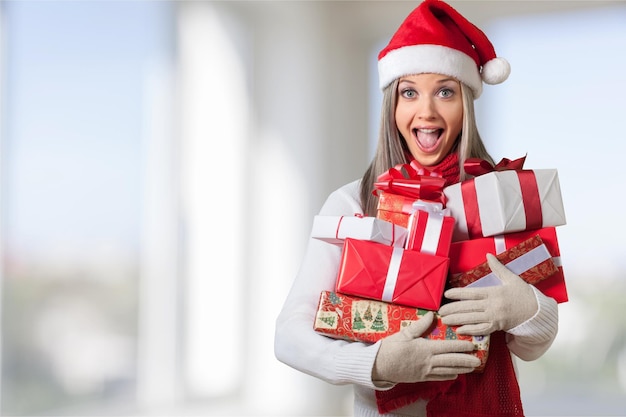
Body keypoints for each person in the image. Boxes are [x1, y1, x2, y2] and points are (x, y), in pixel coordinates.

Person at [274, 1, 559, 416]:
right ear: (392, 106)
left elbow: (532, 347)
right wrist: (376, 364)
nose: (426, 111)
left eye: (445, 91)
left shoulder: (502, 197)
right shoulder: (355, 203)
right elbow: (288, 335)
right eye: (409, 92)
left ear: (466, 105)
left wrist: (531, 309)